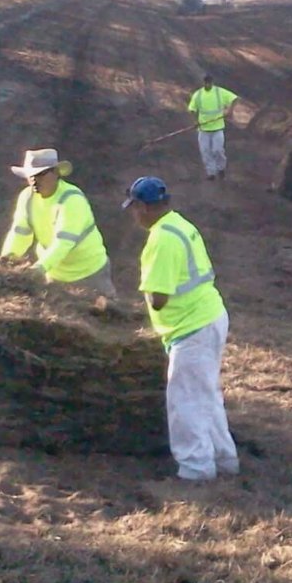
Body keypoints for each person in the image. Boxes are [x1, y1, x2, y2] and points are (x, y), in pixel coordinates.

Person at [121, 176, 239, 482]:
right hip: (209, 316)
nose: (134, 215)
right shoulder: (180, 224)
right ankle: (225, 460)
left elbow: (158, 299)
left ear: (144, 207)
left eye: (134, 208)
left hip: (191, 327)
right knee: (206, 394)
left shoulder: (161, 239)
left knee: (185, 400)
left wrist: (144, 291)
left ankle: (195, 470)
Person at [0, 148, 115, 299]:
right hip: (55, 275)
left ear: (55, 173)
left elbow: (64, 242)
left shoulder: (72, 199)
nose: (34, 180)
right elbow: (19, 233)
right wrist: (7, 261)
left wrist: (39, 268)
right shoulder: (26, 197)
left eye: (40, 174)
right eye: (30, 175)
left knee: (104, 317)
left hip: (89, 274)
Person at [187, 74, 238, 180]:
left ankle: (221, 168)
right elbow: (192, 109)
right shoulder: (198, 94)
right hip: (203, 129)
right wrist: (195, 121)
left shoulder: (219, 92)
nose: (207, 84)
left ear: (212, 82)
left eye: (209, 82)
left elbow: (234, 98)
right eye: (206, 82)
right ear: (203, 83)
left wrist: (230, 111)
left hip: (217, 128)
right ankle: (211, 173)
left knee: (217, 150)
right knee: (205, 151)